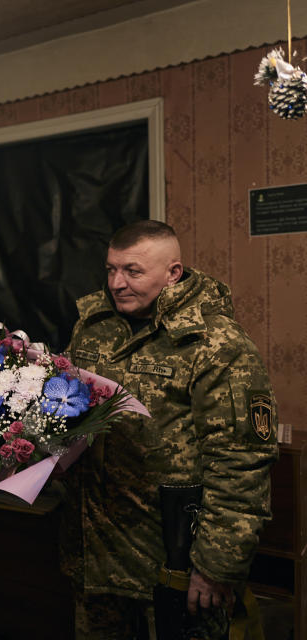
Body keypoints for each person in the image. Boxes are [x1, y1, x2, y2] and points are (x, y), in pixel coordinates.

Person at [61, 220, 278, 638]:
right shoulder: (93, 327)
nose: (117, 283)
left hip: (172, 561)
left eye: (133, 271)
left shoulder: (216, 343)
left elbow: (241, 462)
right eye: (110, 270)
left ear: (173, 273)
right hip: (95, 554)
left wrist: (216, 567)